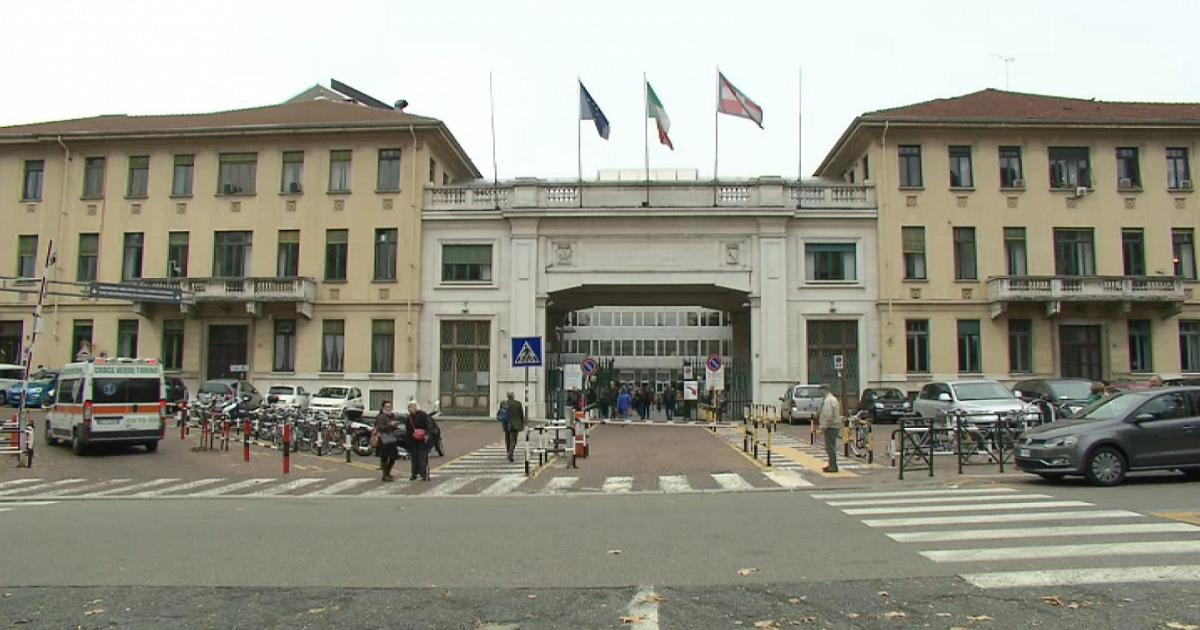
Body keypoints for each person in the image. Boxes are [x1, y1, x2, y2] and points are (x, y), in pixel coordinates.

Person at [373, 401, 401, 482]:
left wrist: (395, 426)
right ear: (383, 407)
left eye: (390, 406)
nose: (389, 408)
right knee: (384, 457)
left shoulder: (392, 415)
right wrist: (390, 424)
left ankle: (387, 473)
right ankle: (385, 475)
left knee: (393, 457)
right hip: (383, 438)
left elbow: (393, 427)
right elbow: (381, 427)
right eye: (387, 407)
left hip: (391, 437)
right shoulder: (381, 416)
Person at [405, 401, 433, 481]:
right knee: (414, 457)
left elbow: (429, 425)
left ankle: (423, 474)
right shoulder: (408, 417)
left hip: (422, 439)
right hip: (413, 440)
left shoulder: (423, 414)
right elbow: (408, 430)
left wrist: (427, 435)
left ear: (416, 407)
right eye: (409, 407)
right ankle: (414, 473)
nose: (410, 409)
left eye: (411, 407)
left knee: (422, 457)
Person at [817, 384, 841, 473]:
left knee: (830, 447)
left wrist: (823, 427)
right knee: (831, 446)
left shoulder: (828, 400)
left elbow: (828, 415)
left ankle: (833, 466)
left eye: (821, 390)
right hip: (833, 425)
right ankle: (831, 464)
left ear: (825, 390)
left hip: (831, 426)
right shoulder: (833, 399)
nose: (820, 392)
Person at [501, 392, 525, 462]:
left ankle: (508, 451)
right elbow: (521, 414)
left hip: (506, 424)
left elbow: (501, 414)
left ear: (507, 396)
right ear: (513, 396)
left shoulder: (504, 403)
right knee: (513, 440)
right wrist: (522, 423)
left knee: (507, 439)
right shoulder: (518, 403)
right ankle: (510, 454)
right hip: (515, 424)